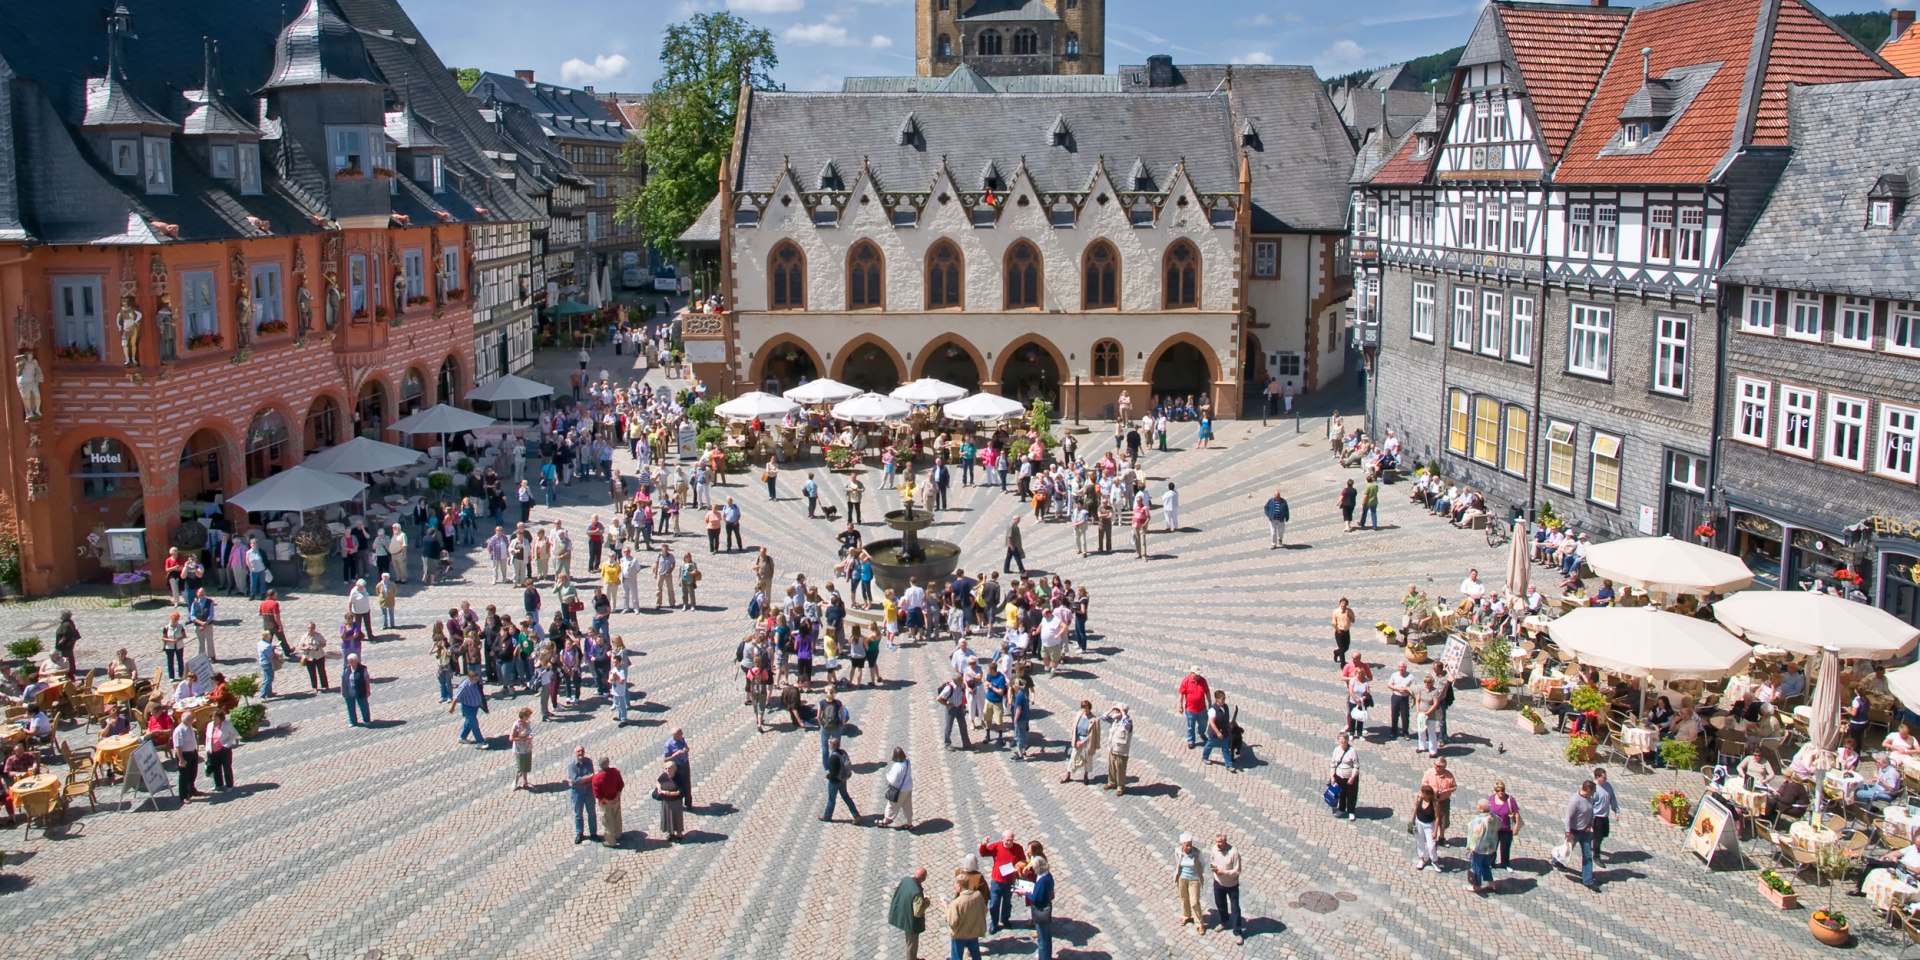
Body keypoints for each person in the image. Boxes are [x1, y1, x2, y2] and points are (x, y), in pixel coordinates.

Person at [979, 830, 1026, 934]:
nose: (1009, 843)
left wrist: (1018, 867)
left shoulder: (1018, 848)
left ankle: (1005, 919)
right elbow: (983, 853)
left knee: (1007, 902)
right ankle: (994, 923)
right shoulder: (997, 846)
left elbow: (1023, 861)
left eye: (1011, 840)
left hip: (1010, 881)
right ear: (1002, 839)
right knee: (994, 904)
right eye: (1007, 840)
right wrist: (983, 844)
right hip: (997, 881)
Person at [944, 869, 988, 960]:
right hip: (973, 932)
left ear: (959, 886)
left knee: (957, 957)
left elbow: (952, 922)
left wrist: (946, 908)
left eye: (956, 884)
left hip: (959, 935)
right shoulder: (978, 895)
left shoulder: (956, 903)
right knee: (976, 956)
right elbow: (984, 910)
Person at [888, 867, 929, 960]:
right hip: (911, 922)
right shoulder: (917, 892)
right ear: (923, 879)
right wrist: (926, 903)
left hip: (901, 914)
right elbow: (918, 913)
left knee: (910, 943)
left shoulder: (905, 880)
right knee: (912, 945)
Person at [1209, 834, 1244, 944]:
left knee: (1235, 909)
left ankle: (1237, 932)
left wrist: (1225, 873)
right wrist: (1214, 867)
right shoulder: (1215, 849)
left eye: (1220, 842)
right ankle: (1224, 922)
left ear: (1225, 841)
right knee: (1220, 903)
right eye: (1216, 842)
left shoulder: (1234, 853)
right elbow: (1212, 859)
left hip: (1231, 885)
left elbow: (1237, 870)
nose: (1218, 844)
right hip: (1218, 882)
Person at [821, 735, 862, 824]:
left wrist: (829, 776)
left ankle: (827, 816)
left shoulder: (833, 758)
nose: (829, 745)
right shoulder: (843, 752)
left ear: (832, 745)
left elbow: (833, 772)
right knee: (846, 797)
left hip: (835, 782)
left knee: (832, 799)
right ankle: (856, 815)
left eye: (830, 743)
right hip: (843, 779)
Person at [1062, 700, 1101, 784]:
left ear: (1089, 708)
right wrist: (1075, 739)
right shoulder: (1079, 715)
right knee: (1073, 756)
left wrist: (1084, 741)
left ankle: (1086, 775)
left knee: (1088, 758)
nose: (1084, 710)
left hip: (1088, 741)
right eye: (1083, 708)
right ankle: (1068, 774)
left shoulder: (1094, 719)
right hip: (1078, 739)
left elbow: (1094, 734)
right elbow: (1074, 727)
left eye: (1086, 708)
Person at [1026, 852, 1056, 959]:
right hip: (1047, 908)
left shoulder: (1042, 880)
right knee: (1047, 937)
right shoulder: (1048, 875)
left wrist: (1025, 892)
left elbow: (1035, 898)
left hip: (1040, 911)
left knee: (1042, 939)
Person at [1174, 833, 1207, 935]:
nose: (1189, 847)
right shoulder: (1178, 851)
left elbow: (1202, 864)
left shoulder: (1197, 853)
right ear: (1182, 845)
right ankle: (1186, 915)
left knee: (1194, 902)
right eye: (1187, 845)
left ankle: (1199, 923)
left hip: (1194, 880)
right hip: (1182, 878)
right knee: (1183, 898)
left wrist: (1199, 873)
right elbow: (1178, 863)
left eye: (1190, 844)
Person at [1466, 799, 1500, 894]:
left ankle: (1476, 886)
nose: (1476, 807)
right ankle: (1491, 883)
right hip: (1490, 847)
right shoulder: (1494, 817)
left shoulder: (1480, 820)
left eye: (1478, 806)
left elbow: (1476, 835)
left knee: (1476, 866)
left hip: (1479, 848)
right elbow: (1499, 825)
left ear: (1481, 809)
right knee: (1486, 865)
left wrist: (1471, 847)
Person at [1423, 757, 1459, 846]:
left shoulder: (1449, 775)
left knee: (1443, 820)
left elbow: (1454, 787)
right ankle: (1430, 836)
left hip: (1443, 801)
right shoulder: (1429, 773)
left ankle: (1441, 838)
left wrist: (1446, 791)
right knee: (1430, 818)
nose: (1435, 766)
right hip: (1431, 800)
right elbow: (1424, 784)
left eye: (1438, 766)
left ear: (1443, 767)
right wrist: (1433, 790)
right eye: (1435, 764)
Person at [1488, 780, 1523, 872]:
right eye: (1498, 791)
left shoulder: (1510, 800)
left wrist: (1516, 827)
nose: (1500, 792)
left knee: (1505, 847)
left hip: (1506, 829)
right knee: (1492, 847)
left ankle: (1505, 863)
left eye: (1502, 790)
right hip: (1494, 828)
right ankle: (1491, 863)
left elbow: (1516, 814)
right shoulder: (1491, 798)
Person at [567, 745, 599, 843]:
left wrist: (584, 779)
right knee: (578, 814)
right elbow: (576, 780)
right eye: (578, 751)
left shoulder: (588, 762)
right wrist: (587, 778)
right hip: (577, 793)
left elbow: (592, 774)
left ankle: (593, 833)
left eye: (582, 751)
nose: (580, 753)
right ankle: (579, 833)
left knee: (592, 813)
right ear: (575, 753)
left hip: (589, 791)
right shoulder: (571, 765)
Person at [204, 708, 240, 792]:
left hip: (224, 750)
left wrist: (227, 743)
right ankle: (218, 785)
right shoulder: (210, 725)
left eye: (215, 718)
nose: (213, 719)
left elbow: (235, 734)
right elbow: (208, 738)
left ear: (220, 718)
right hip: (213, 751)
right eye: (212, 717)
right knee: (216, 768)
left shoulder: (226, 725)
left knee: (227, 768)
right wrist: (207, 749)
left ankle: (229, 785)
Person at [593, 756, 625, 847]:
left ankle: (611, 841)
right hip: (616, 800)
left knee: (607, 822)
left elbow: (596, 794)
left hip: (605, 803)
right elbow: (621, 785)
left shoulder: (597, 778)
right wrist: (616, 797)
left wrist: (607, 801)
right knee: (617, 817)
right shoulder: (615, 772)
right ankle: (618, 834)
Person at [451, 668, 488, 745]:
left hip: (475, 707)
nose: (477, 680)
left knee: (469, 723)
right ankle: (481, 742)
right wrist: (452, 708)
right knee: (474, 725)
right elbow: (456, 698)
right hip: (468, 708)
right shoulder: (464, 686)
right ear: (470, 678)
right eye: (475, 679)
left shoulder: (475, 683)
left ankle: (462, 737)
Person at [1590, 766, 1620, 862]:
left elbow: (1612, 798)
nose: (1605, 779)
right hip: (1596, 817)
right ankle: (1596, 856)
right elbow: (1589, 804)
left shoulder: (1608, 786)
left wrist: (1616, 811)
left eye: (1606, 777)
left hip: (1605, 816)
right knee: (1598, 838)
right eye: (1603, 777)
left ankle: (1592, 839)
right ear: (1597, 777)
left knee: (1604, 834)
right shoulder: (1593, 788)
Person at [880, 746, 914, 830]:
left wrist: (887, 776)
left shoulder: (897, 766)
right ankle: (909, 824)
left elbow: (893, 781)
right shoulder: (907, 762)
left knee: (891, 805)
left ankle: (884, 821)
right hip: (908, 787)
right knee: (907, 806)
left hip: (900, 790)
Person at [172, 708, 201, 801]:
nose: (193, 721)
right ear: (188, 720)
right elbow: (178, 746)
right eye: (192, 719)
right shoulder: (179, 730)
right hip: (184, 755)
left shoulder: (189, 727)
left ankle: (192, 790)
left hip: (192, 753)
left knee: (193, 773)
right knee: (184, 776)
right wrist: (181, 759)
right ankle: (184, 796)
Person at [1203, 690, 1236, 772]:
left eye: (1224, 698)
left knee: (1225, 748)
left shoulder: (1226, 707)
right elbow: (1211, 722)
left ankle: (1229, 765)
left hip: (1225, 732)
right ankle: (1205, 757)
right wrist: (1217, 732)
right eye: (1222, 699)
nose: (1224, 700)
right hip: (1214, 733)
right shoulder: (1212, 710)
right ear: (1217, 700)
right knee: (1210, 745)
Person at [1103, 704, 1133, 794]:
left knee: (1120, 769)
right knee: (1111, 767)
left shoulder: (1127, 720)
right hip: (1112, 748)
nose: (1116, 712)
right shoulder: (1115, 720)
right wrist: (1112, 708)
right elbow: (1103, 717)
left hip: (1121, 750)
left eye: (1118, 711)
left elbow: (1127, 725)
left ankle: (1120, 786)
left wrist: (1123, 713)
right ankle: (1111, 782)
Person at [1178, 666, 1211, 749]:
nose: (1199, 676)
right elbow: (1181, 694)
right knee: (1190, 726)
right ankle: (1191, 740)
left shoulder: (1203, 681)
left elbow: (1207, 692)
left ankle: (1201, 733)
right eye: (1197, 675)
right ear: (1192, 674)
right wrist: (1180, 706)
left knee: (1203, 723)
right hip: (1190, 709)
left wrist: (1210, 703)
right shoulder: (1186, 681)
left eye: (1199, 675)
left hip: (1202, 709)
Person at [1329, 731, 1359, 820]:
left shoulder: (1352, 751)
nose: (1341, 742)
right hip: (1339, 775)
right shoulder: (1336, 750)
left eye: (1343, 740)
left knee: (1351, 794)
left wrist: (1353, 777)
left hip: (1349, 776)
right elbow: (1332, 764)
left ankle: (1351, 811)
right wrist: (1332, 776)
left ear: (1347, 740)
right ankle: (1341, 809)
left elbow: (1356, 766)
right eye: (1340, 740)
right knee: (1341, 793)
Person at [1411, 783, 1440, 871]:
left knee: (1431, 845)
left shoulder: (1434, 803)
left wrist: (1435, 831)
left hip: (1430, 825)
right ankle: (1421, 859)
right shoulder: (1420, 799)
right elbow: (1416, 808)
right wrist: (1412, 819)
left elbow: (1437, 817)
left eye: (1423, 793)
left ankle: (1434, 861)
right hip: (1419, 822)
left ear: (1428, 794)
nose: (1422, 794)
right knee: (1420, 842)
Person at [655, 759, 685, 840]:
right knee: (668, 817)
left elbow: (680, 792)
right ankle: (670, 833)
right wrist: (659, 788)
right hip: (666, 802)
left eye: (669, 768)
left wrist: (668, 793)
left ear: (674, 769)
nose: (667, 770)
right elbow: (658, 782)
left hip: (675, 801)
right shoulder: (664, 776)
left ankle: (679, 834)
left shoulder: (678, 778)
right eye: (666, 768)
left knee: (677, 817)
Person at [663, 728, 692, 809]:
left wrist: (686, 749)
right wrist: (675, 755)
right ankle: (678, 803)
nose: (682, 735)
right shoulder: (668, 745)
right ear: (675, 735)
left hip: (685, 764)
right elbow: (665, 759)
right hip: (677, 767)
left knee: (687, 784)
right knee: (678, 785)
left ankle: (688, 803)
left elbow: (686, 747)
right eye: (680, 734)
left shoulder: (682, 740)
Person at [340, 653, 371, 727]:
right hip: (348, 691)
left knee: (363, 706)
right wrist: (342, 690)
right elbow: (342, 680)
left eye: (351, 661)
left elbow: (366, 680)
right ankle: (353, 721)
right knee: (350, 707)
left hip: (360, 691)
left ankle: (366, 720)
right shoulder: (346, 669)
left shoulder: (362, 669)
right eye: (349, 661)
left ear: (356, 661)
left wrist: (368, 690)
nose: (350, 662)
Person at [508, 708, 535, 790]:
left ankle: (525, 782)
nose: (528, 718)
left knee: (526, 766)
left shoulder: (527, 723)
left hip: (527, 748)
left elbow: (529, 732)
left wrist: (530, 736)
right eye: (527, 716)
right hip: (519, 749)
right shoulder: (516, 725)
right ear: (523, 716)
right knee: (520, 768)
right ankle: (515, 782)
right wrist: (523, 739)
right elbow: (511, 738)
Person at [1330, 598, 1356, 669]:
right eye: (1342, 603)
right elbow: (1333, 622)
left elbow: (1353, 620)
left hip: (1347, 631)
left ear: (1347, 604)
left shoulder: (1349, 611)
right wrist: (1337, 629)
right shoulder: (1336, 611)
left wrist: (1349, 616)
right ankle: (1343, 664)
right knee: (1342, 649)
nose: (1343, 605)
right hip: (1339, 632)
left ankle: (1336, 652)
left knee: (1346, 648)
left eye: (1344, 604)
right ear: (1340, 603)